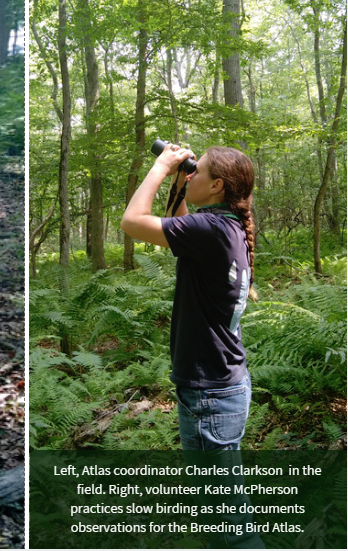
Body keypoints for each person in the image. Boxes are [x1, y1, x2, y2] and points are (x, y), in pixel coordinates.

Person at [121, 142, 264, 548]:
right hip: (224, 385)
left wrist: (161, 167)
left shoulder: (211, 229)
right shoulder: (225, 226)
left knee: (224, 526)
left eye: (196, 171)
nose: (190, 174)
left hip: (210, 396)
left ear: (217, 185)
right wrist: (182, 183)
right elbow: (176, 224)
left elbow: (133, 222)